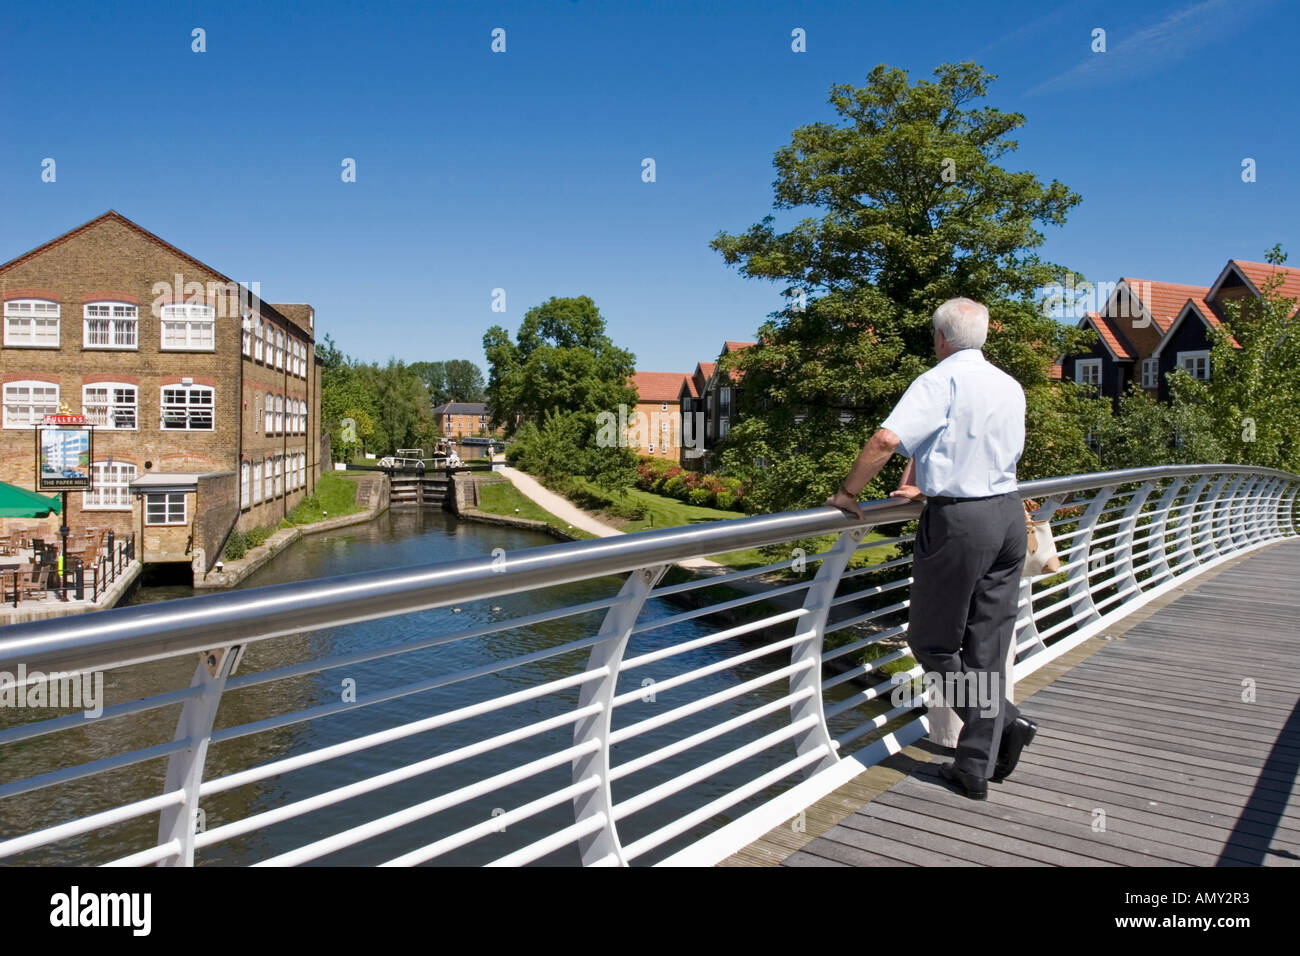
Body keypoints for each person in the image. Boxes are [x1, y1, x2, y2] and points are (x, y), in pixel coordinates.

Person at [825, 297, 1038, 800]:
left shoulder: (939, 380)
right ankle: (974, 767)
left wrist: (848, 493)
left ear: (941, 338)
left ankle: (1004, 722)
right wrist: (930, 479)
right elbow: (979, 447)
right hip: (1009, 515)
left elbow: (885, 441)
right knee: (987, 647)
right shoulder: (1009, 385)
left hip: (961, 522)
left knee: (933, 643)